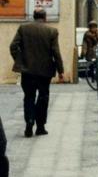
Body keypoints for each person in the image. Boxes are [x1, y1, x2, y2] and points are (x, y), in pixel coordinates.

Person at [9, 9, 65, 137]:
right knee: (43, 97)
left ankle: (29, 121)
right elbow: (56, 52)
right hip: (45, 72)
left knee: (29, 96)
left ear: (34, 17)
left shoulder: (23, 29)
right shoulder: (52, 31)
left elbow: (13, 46)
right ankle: (40, 126)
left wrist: (20, 61)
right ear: (44, 18)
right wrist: (60, 71)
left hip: (27, 71)